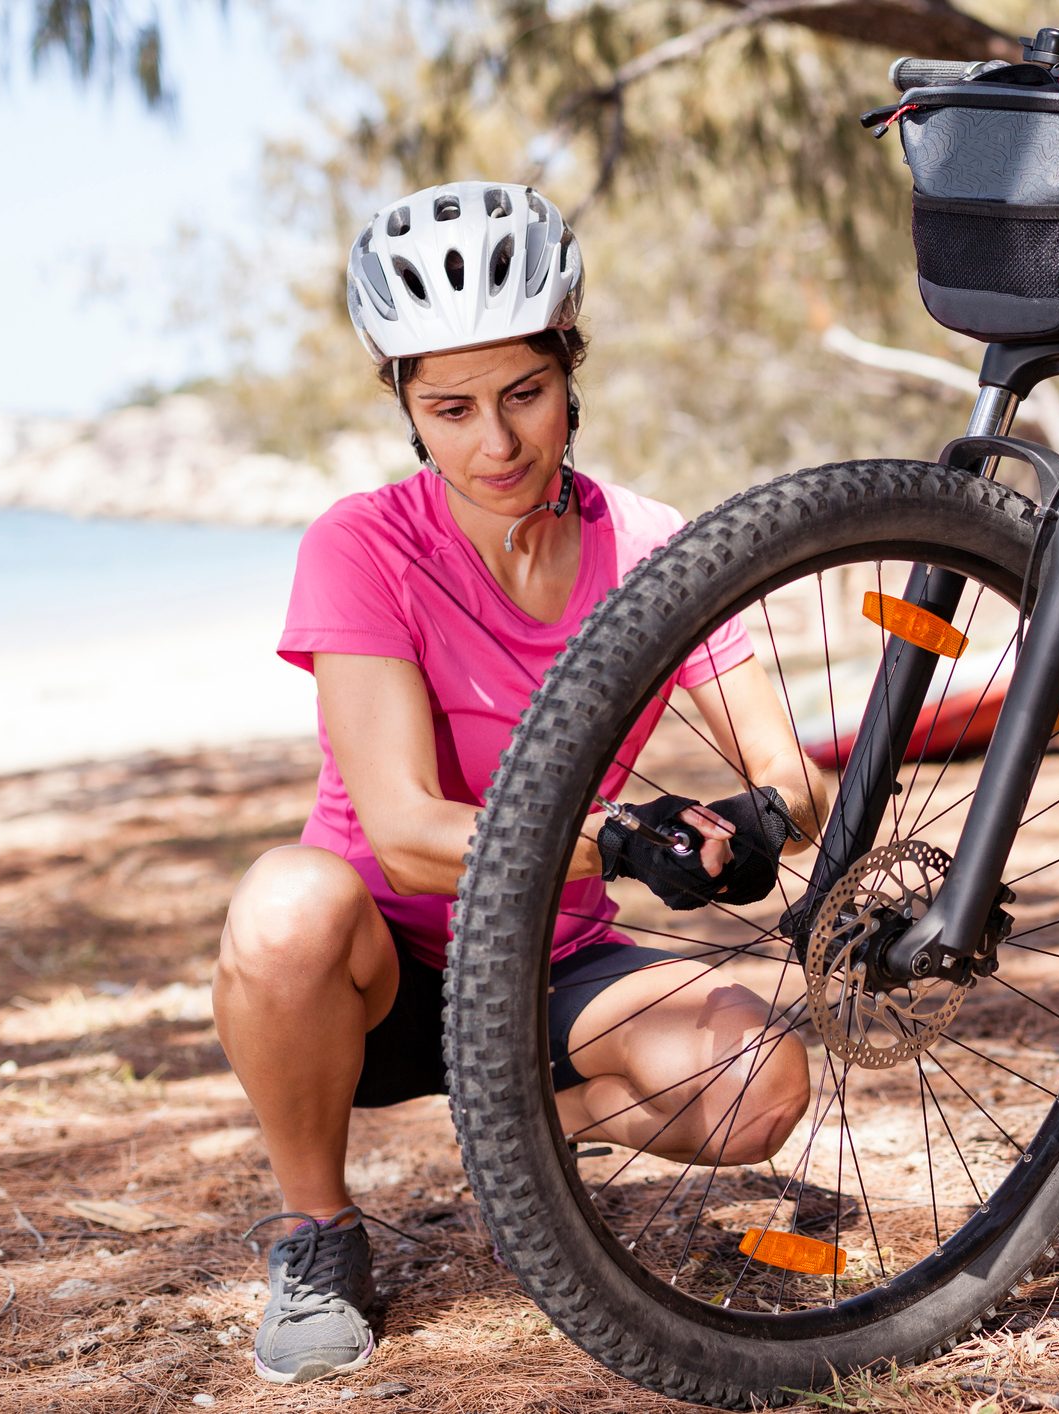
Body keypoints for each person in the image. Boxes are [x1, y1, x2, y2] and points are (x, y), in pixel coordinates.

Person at [212, 180, 816, 1385]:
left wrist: (754, 827)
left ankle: (525, 1140)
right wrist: (620, 838)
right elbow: (404, 827)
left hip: (555, 965)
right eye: (451, 407)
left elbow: (787, 767)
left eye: (525, 394)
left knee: (765, 1079)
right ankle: (316, 1231)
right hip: (380, 965)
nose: (496, 443)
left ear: (570, 365)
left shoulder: (650, 542)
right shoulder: (363, 544)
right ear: (405, 406)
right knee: (286, 907)